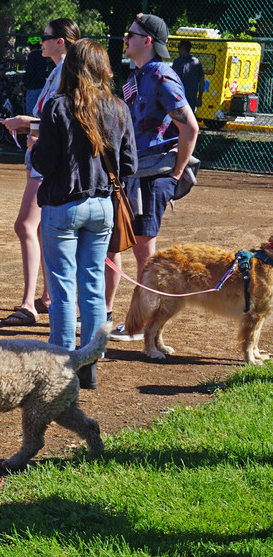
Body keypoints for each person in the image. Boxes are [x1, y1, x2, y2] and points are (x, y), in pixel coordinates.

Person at [29, 38, 138, 389]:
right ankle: (90, 361)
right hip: (103, 205)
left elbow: (45, 163)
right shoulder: (118, 107)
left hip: (63, 205)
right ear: (103, 67)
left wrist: (32, 150)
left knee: (62, 288)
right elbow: (130, 164)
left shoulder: (58, 106)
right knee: (92, 284)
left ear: (72, 67)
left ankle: (62, 360)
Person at [107, 14, 199, 341]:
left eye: (131, 35)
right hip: (135, 171)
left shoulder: (162, 76)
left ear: (147, 41)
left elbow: (190, 127)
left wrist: (175, 175)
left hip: (152, 174)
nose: (125, 39)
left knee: (146, 255)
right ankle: (128, 320)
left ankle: (143, 325)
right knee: (128, 248)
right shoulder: (139, 74)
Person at [1, 18, 80, 326]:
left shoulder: (66, 73)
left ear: (61, 41)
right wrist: (26, 122)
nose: (41, 43)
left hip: (47, 160)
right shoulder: (59, 71)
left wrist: (26, 122)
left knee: (26, 225)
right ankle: (45, 297)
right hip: (41, 155)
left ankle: (28, 304)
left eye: (45, 38)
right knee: (41, 226)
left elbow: (59, 123)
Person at [171, 40, 204, 112]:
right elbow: (202, 81)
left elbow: (172, 79)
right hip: (192, 96)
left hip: (179, 95)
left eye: (179, 48)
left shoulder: (178, 62)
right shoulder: (196, 62)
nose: (178, 50)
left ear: (183, 49)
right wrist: (200, 97)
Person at [23, 42, 48, 114]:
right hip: (42, 85)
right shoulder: (43, 55)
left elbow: (30, 71)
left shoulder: (32, 55)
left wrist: (23, 80)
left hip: (33, 86)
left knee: (30, 110)